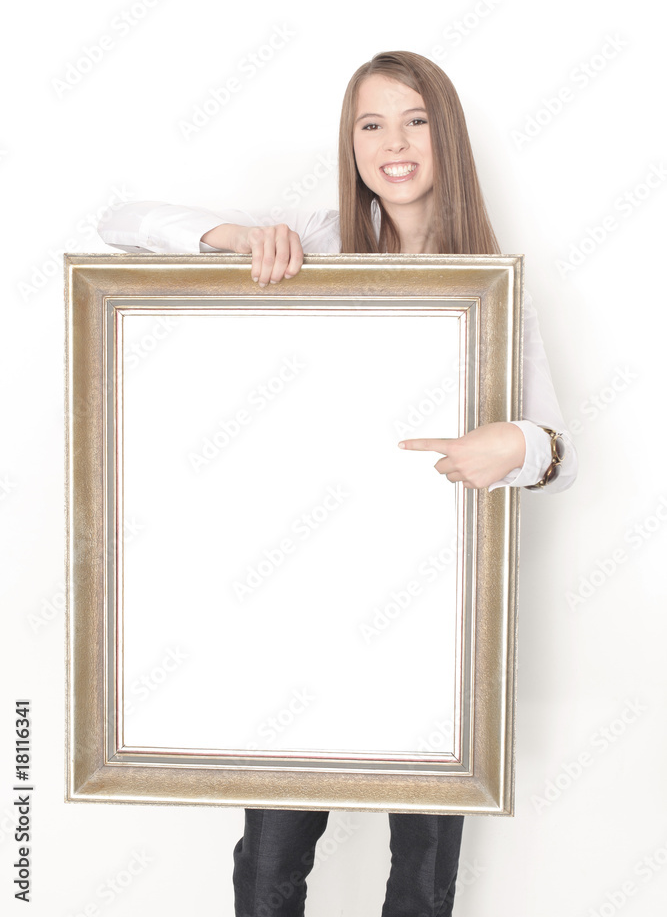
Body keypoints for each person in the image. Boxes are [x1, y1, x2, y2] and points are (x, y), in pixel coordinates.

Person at [97, 50, 578, 916]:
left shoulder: (494, 283)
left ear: (447, 135)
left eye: (415, 120)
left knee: (422, 881)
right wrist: (233, 239)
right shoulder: (314, 244)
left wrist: (513, 441)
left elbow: (559, 454)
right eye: (371, 124)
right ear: (350, 145)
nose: (394, 143)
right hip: (305, 621)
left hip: (437, 634)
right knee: (268, 868)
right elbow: (120, 222)